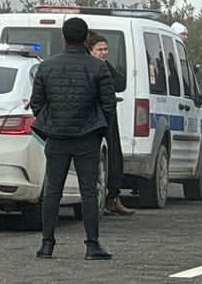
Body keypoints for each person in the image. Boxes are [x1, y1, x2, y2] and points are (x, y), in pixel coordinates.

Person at [29, 15, 117, 260]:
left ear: (63, 37)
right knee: (89, 191)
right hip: (87, 135)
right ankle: (92, 245)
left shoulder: (47, 66)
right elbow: (109, 105)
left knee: (52, 191)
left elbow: (37, 103)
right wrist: (99, 128)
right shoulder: (98, 67)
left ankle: (47, 244)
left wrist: (51, 123)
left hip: (56, 136)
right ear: (86, 38)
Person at [87, 34, 135, 216]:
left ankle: (113, 197)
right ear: (90, 51)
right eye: (99, 50)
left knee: (114, 157)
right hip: (93, 120)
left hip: (109, 120)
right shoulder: (88, 68)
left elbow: (119, 82)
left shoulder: (105, 67)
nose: (103, 53)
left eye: (105, 49)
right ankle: (102, 199)